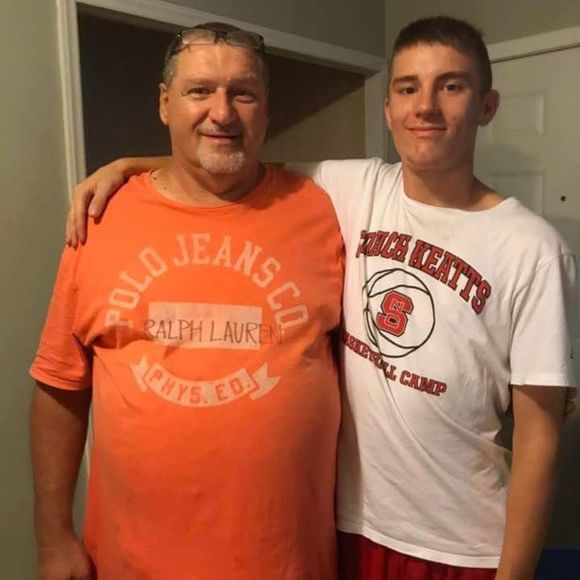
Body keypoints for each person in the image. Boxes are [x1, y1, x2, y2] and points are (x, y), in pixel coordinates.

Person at [66, 16, 577, 580]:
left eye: (451, 86)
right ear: (388, 108)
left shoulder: (533, 249)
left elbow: (540, 439)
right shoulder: (353, 188)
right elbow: (228, 158)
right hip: (348, 526)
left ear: (487, 106)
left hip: (460, 543)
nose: (426, 106)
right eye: (408, 88)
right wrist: (127, 167)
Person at [30, 22, 344, 580]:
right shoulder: (100, 219)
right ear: (164, 103)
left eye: (243, 93)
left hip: (287, 562)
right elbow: (59, 386)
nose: (222, 112)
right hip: (133, 562)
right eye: (200, 91)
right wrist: (53, 536)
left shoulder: (324, 208)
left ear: (266, 108)